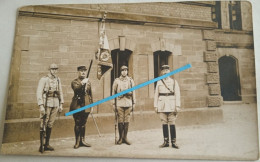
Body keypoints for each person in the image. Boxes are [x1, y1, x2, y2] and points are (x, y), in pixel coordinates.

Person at [36, 63, 64, 152]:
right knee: (43, 123)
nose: (55, 71)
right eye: (53, 69)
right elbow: (39, 92)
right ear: (50, 70)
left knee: (50, 123)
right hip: (46, 103)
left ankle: (47, 144)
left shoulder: (58, 80)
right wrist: (41, 106)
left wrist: (61, 104)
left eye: (56, 69)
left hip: (55, 103)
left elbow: (60, 92)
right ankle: (41, 145)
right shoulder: (44, 79)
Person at [154, 65, 181, 149]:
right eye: (164, 70)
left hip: (171, 105)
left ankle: (174, 142)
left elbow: (177, 94)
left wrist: (177, 105)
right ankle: (166, 142)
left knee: (172, 123)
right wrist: (155, 105)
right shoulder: (159, 82)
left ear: (169, 72)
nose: (165, 72)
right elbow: (156, 95)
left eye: (167, 70)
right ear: (162, 72)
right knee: (164, 123)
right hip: (162, 105)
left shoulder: (174, 82)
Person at [70, 65, 93, 149]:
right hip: (77, 104)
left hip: (86, 104)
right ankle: (77, 141)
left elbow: (90, 94)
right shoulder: (75, 82)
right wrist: (83, 83)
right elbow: (76, 89)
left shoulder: (89, 82)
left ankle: (82, 141)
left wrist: (92, 105)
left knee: (83, 123)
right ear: (78, 72)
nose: (83, 72)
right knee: (77, 123)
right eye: (81, 71)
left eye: (84, 71)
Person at [112, 65, 136, 145]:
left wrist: (134, 103)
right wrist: (113, 104)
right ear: (120, 71)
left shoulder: (130, 80)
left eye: (125, 70)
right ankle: (120, 138)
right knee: (120, 121)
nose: (124, 72)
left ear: (127, 71)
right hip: (120, 103)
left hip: (128, 103)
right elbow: (113, 93)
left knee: (126, 121)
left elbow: (134, 92)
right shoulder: (117, 81)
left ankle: (125, 137)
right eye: (122, 70)